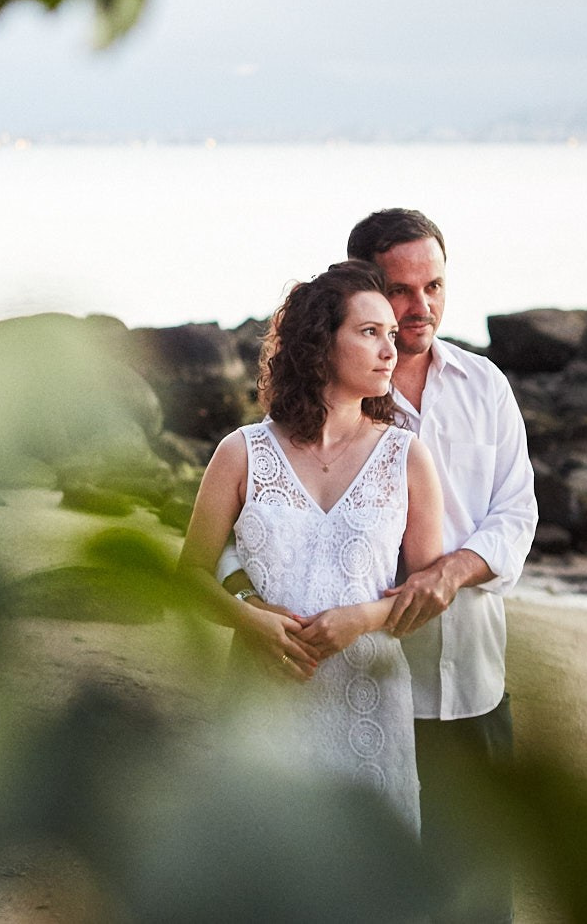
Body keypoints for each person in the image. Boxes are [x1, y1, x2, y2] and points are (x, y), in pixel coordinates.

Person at [223, 209, 538, 924]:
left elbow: (517, 513)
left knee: (481, 892)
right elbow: (249, 537)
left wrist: (451, 570)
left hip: (472, 682)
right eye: (401, 290)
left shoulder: (485, 386)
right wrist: (253, 607)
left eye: (434, 285)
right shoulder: (321, 407)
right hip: (360, 689)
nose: (421, 307)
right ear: (364, 288)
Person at [177, 260, 445, 830]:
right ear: (321, 343)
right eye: (369, 332)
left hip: (367, 703)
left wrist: (363, 618)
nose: (389, 350)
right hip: (262, 698)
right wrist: (249, 620)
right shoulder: (241, 451)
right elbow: (191, 575)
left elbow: (429, 590)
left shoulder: (407, 457)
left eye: (392, 335)